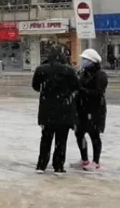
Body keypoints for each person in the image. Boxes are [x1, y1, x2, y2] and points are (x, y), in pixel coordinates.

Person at [32, 45, 81, 174]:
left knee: (46, 139)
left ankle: (41, 165)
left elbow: (35, 87)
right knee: (61, 140)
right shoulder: (69, 71)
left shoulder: (41, 70)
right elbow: (77, 86)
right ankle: (58, 166)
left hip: (47, 111)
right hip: (64, 111)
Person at [74, 48, 108, 171]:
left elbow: (98, 92)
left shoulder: (100, 75)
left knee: (94, 135)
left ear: (92, 61)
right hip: (81, 109)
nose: (83, 61)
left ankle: (96, 161)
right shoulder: (82, 72)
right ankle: (84, 159)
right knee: (79, 134)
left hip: (95, 110)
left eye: (85, 60)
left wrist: (81, 90)